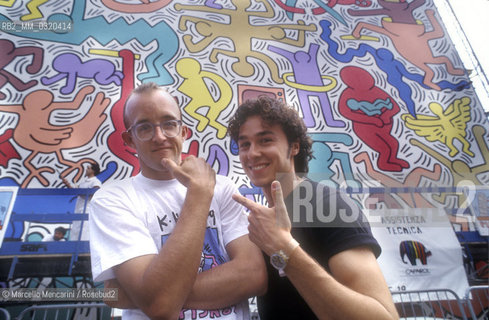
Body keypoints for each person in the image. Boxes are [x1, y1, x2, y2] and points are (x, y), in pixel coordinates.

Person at [89, 82, 266, 320]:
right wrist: (199, 193)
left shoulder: (223, 188)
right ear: (130, 140)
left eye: (169, 124)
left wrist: (150, 295)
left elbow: (254, 275)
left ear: (183, 132)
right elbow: (160, 307)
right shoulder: (112, 199)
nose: (159, 136)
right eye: (144, 128)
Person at [228, 96, 399, 319]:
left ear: (294, 146)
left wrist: (285, 249)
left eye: (265, 140)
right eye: (244, 144)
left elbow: (383, 317)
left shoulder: (326, 205)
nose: (252, 153)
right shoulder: (264, 221)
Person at [62, 162, 102, 240]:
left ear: (93, 171)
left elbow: (95, 192)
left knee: (84, 231)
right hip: (79, 209)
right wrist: (67, 184)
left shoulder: (95, 182)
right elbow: (77, 193)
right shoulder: (83, 182)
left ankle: (82, 251)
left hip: (87, 209)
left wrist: (81, 192)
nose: (86, 169)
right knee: (76, 230)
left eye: (88, 168)